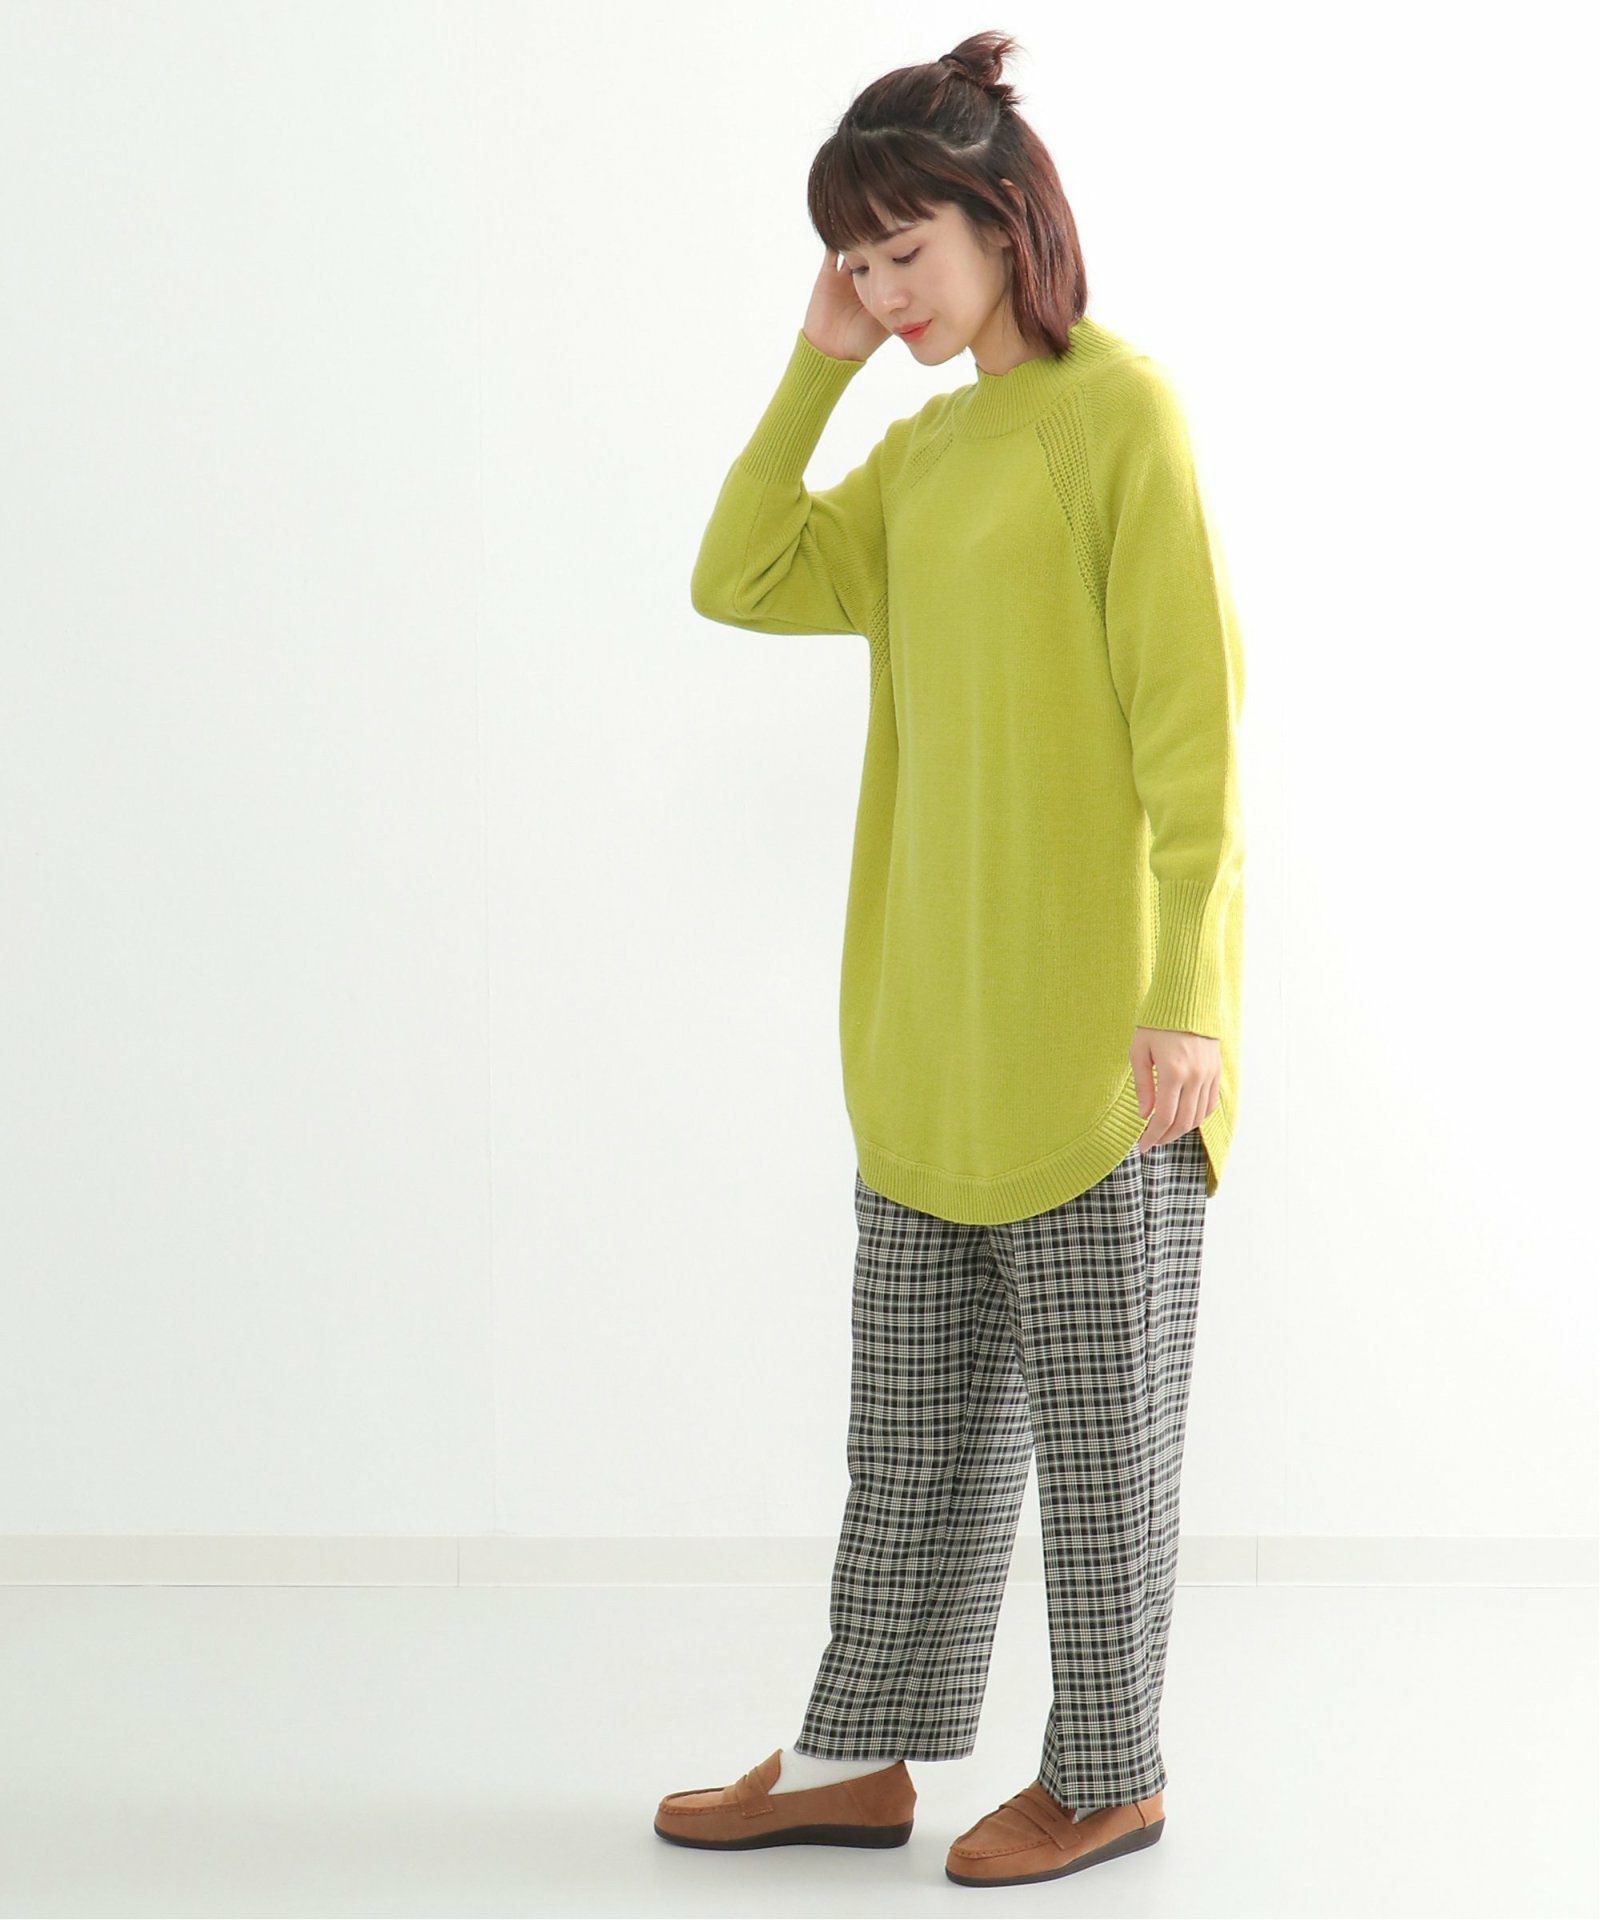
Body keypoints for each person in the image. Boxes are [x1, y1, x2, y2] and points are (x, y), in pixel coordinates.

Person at [654, 28, 1244, 1891]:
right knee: (909, 1444)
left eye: (904, 250)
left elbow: (1196, 730)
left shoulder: (1118, 418)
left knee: (1102, 1452)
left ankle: (1110, 1773)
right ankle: (856, 1755)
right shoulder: (916, 463)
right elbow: (738, 573)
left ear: (1005, 222)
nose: (883, 287)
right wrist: (815, 366)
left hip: (1097, 1053)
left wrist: (1189, 998)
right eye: (857, 259)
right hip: (928, 1044)